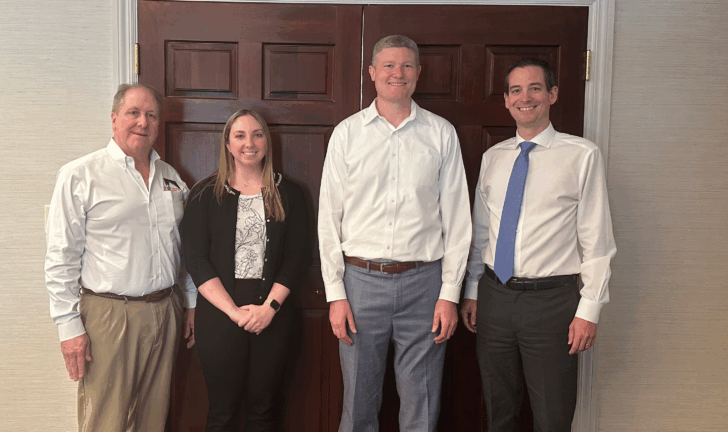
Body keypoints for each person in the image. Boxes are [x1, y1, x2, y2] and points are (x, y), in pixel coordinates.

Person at [318, 35, 472, 432]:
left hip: (425, 285)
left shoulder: (441, 133)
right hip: (359, 283)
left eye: (406, 65)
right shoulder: (347, 134)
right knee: (358, 403)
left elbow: (458, 220)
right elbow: (328, 218)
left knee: (422, 404)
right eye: (388, 65)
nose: (397, 73)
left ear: (418, 73)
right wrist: (335, 294)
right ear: (372, 72)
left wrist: (449, 294)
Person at [461, 58, 617, 432]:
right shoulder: (493, 158)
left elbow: (597, 240)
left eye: (534, 88)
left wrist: (590, 309)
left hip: (552, 304)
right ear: (506, 100)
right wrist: (472, 291)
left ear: (552, 94)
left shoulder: (582, 155)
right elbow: (481, 234)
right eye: (516, 90)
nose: (525, 97)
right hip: (495, 298)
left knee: (552, 415)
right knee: (499, 411)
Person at [45, 83, 196, 432]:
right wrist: (68, 327)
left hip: (165, 311)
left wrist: (190, 302)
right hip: (109, 315)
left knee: (153, 419)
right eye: (133, 113)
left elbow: (185, 247)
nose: (143, 122)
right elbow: (61, 256)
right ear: (114, 119)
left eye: (151, 115)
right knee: (106, 422)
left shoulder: (171, 179)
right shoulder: (80, 175)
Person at [179, 109, 309, 431]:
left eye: (257, 134)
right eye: (240, 135)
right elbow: (196, 259)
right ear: (227, 144)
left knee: (264, 412)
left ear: (267, 141)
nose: (249, 143)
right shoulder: (205, 194)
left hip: (273, 316)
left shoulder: (290, 194)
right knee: (221, 413)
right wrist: (234, 312)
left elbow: (297, 257)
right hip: (219, 315)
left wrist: (269, 308)